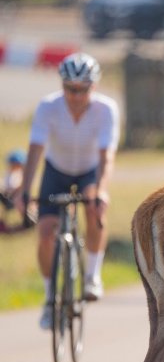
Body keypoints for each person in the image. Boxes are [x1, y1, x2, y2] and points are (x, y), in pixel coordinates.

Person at [13, 52, 119, 330]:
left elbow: (106, 155)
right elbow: (36, 150)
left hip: (88, 172)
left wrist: (101, 190)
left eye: (81, 90)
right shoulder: (48, 107)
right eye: (69, 89)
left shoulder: (106, 109)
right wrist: (24, 191)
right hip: (56, 170)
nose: (74, 96)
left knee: (95, 208)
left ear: (92, 87)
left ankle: (93, 276)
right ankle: (50, 299)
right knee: (46, 233)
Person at [1, 150, 29, 232]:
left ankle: (27, 222)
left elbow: (18, 187)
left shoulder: (20, 175)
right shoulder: (9, 174)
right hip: (8, 197)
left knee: (21, 205)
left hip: (15, 198)